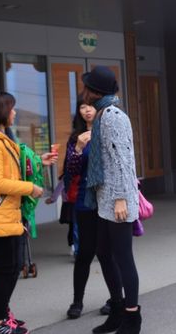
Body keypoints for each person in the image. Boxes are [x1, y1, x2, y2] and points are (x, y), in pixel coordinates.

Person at [0, 91, 58, 334]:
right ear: (1, 111)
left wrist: (39, 160)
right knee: (6, 270)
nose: (15, 112)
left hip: (8, 213)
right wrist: (32, 188)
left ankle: (2, 314)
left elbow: (13, 168)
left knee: (13, 266)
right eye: (12, 108)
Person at [81, 66, 142, 334]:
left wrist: (120, 199)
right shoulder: (103, 114)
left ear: (94, 91)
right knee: (104, 253)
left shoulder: (113, 116)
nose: (83, 92)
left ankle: (132, 317)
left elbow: (122, 161)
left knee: (123, 257)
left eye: (86, 87)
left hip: (119, 198)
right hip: (104, 198)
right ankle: (117, 309)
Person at [60, 99, 111, 319]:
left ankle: (116, 299)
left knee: (108, 253)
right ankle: (77, 302)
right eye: (82, 106)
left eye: (91, 106)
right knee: (84, 254)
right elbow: (69, 172)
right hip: (84, 200)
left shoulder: (108, 131)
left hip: (107, 200)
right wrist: (79, 148)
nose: (87, 110)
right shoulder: (76, 138)